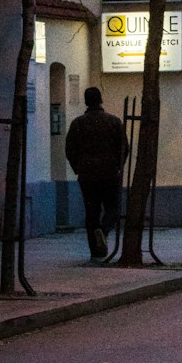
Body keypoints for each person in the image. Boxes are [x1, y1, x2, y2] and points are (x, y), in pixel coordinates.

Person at [65, 87, 128, 260]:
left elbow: (69, 149)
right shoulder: (114, 122)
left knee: (91, 211)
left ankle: (95, 251)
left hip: (87, 175)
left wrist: (78, 168)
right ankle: (104, 230)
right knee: (113, 208)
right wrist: (118, 166)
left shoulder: (78, 123)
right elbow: (124, 147)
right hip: (109, 173)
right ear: (101, 100)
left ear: (86, 101)